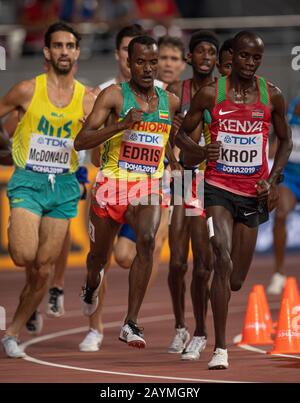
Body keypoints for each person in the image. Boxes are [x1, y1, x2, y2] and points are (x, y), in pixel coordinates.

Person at [176, 31, 292, 369]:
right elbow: (181, 133)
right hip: (217, 189)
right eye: (244, 56)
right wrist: (199, 150)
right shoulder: (211, 94)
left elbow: (284, 142)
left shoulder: (272, 96)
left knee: (236, 279)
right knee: (221, 259)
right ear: (233, 56)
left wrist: (272, 180)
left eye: (256, 58)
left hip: (252, 194)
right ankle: (220, 348)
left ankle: (223, 314)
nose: (250, 63)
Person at [75, 35, 181, 348]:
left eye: (153, 62)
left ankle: (130, 323)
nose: (148, 68)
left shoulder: (170, 101)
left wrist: (186, 161)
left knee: (147, 240)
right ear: (129, 63)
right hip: (110, 186)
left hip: (148, 186)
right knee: (98, 259)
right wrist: (121, 125)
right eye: (141, 62)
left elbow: (174, 141)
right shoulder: (113, 96)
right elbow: (81, 141)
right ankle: (91, 286)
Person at [0, 21, 96, 358]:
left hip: (65, 185)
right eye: (58, 46)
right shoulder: (27, 89)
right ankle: (23, 312)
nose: (64, 51)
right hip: (29, 179)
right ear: (47, 52)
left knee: (42, 269)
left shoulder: (89, 99)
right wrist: (5, 145)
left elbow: (101, 139)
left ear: (78, 53)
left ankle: (12, 331)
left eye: (70, 46)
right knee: (23, 256)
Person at [166, 31, 218, 360]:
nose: (206, 57)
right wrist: (172, 159)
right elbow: (168, 131)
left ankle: (201, 332)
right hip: (184, 178)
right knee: (175, 263)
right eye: (200, 52)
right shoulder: (176, 91)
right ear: (190, 58)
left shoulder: (221, 93)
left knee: (203, 265)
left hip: (209, 181)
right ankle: (180, 326)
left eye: (211, 53)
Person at [267, 97, 300, 294]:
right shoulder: (291, 106)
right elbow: (273, 152)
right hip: (291, 175)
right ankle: (279, 274)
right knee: (280, 214)